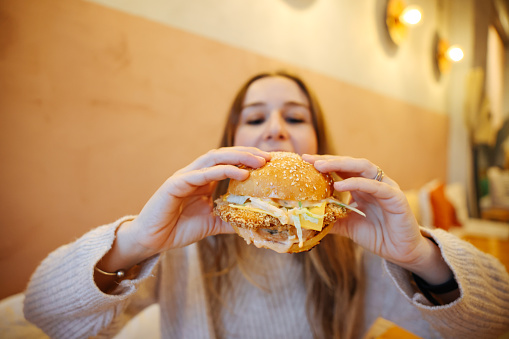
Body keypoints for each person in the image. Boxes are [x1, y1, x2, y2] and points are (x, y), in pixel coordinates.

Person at [24, 71, 509, 339]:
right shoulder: (182, 249)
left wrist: (420, 256)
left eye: (295, 117)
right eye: (255, 117)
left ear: (320, 142)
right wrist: (133, 243)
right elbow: (41, 312)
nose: (276, 127)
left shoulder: (357, 248)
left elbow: (495, 324)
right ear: (231, 143)